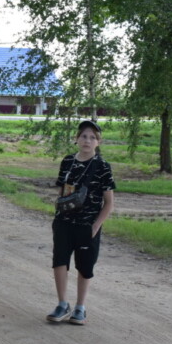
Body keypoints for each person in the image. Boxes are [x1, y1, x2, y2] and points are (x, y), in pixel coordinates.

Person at [46, 120, 115, 325]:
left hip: (87, 225)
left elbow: (109, 203)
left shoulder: (102, 167)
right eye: (84, 136)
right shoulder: (68, 161)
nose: (87, 140)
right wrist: (59, 215)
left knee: (85, 266)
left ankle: (80, 307)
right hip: (64, 222)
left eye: (92, 137)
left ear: (98, 142)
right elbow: (62, 191)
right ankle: (62, 304)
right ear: (76, 139)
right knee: (60, 261)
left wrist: (95, 226)